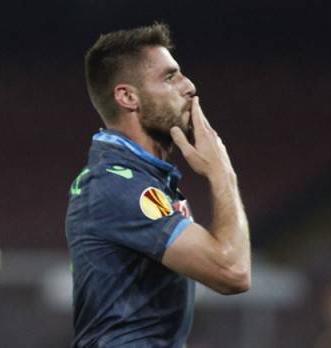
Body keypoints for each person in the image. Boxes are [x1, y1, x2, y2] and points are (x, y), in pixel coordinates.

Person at [65, 22, 251, 348]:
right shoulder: (117, 186)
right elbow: (233, 271)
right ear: (127, 96)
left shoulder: (146, 180)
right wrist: (223, 171)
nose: (190, 86)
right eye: (170, 77)